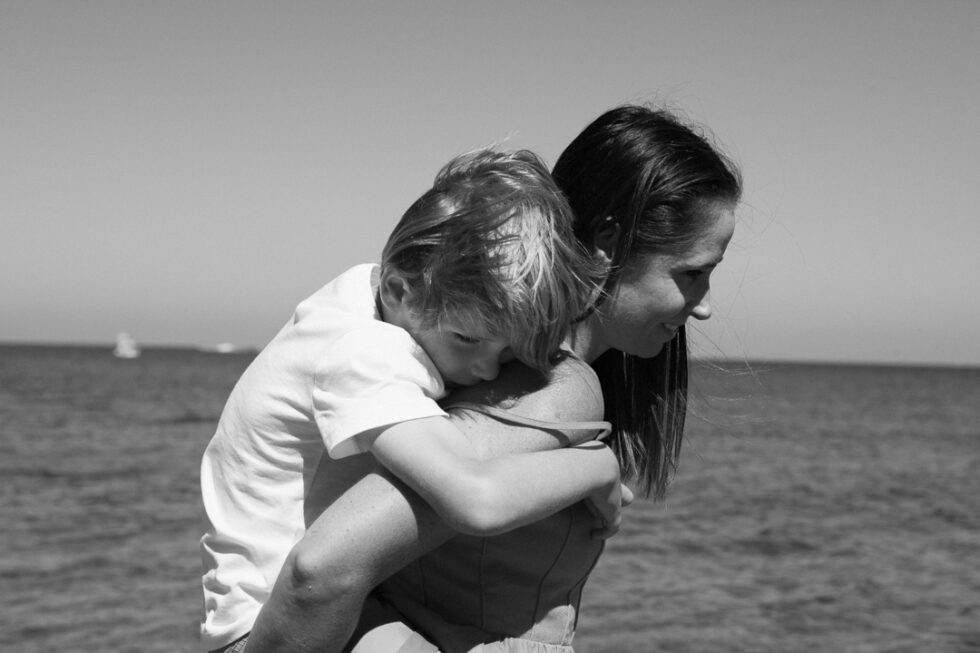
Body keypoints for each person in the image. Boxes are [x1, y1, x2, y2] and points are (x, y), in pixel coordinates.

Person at [244, 104, 743, 653]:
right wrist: (596, 464)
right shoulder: (552, 391)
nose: (703, 307)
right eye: (692, 273)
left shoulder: (499, 372)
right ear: (608, 243)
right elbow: (321, 572)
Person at [199, 148, 629, 653]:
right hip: (270, 625)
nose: (488, 369)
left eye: (506, 349)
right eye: (467, 340)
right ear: (401, 288)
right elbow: (477, 500)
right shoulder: (365, 353)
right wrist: (598, 464)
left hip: (334, 609)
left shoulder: (368, 292)